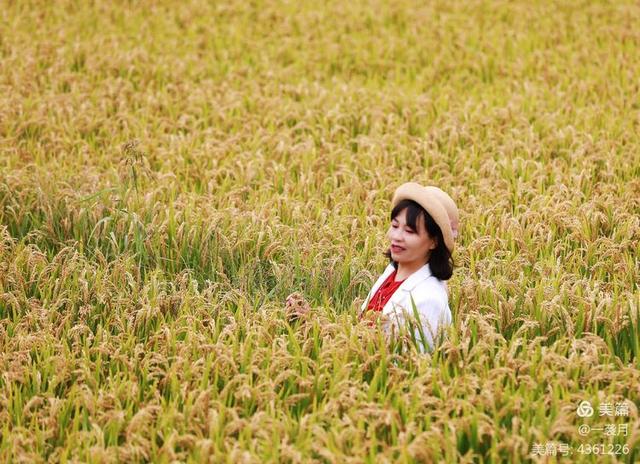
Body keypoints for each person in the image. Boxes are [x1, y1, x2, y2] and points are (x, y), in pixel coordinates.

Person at [358, 182, 457, 353]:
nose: (396, 237)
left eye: (410, 231)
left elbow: (410, 365)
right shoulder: (393, 270)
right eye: (395, 226)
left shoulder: (429, 301)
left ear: (434, 241)